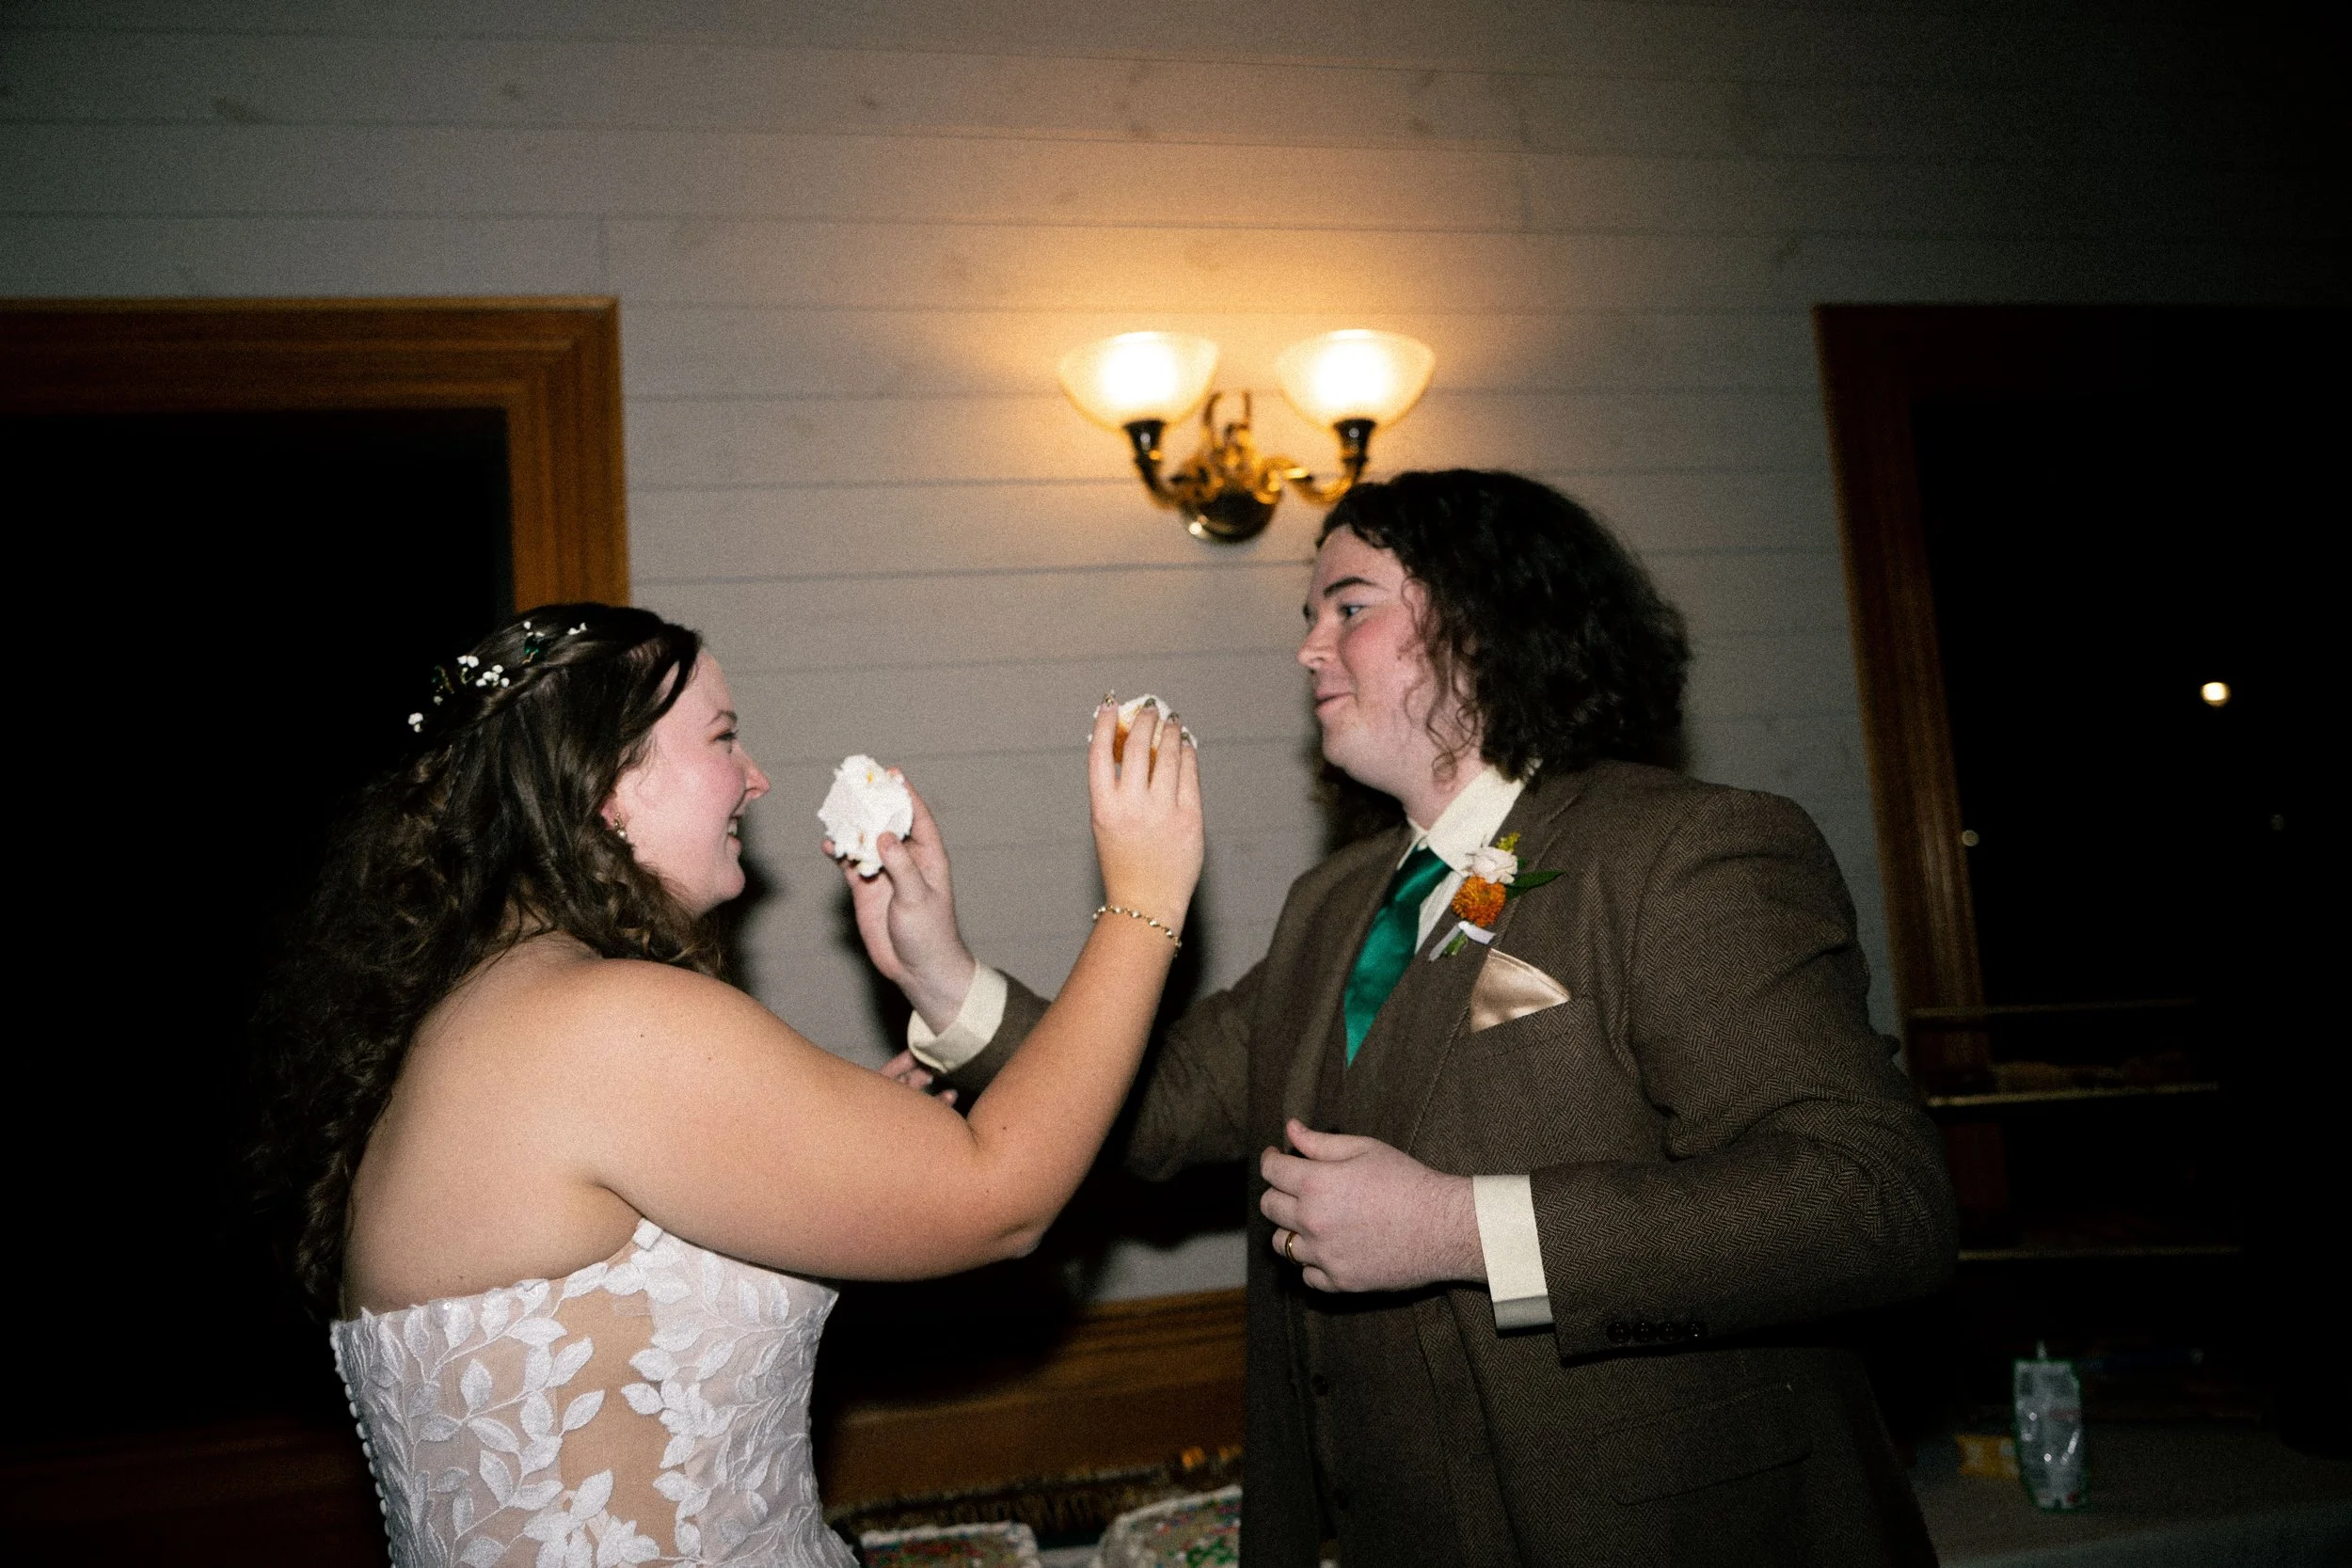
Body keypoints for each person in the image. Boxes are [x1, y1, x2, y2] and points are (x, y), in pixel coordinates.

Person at [868, 471, 1959, 1567]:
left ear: (1488, 623)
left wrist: (1452, 1227)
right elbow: (1156, 1108)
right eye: (1307, 617)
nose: (1307, 649)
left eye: (1350, 605)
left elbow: (1873, 1199)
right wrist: (943, 974)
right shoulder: (1335, 905)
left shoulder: (1682, 852)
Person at [255, 603, 1201, 1567]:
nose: (755, 779)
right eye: (721, 737)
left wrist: (893, 1078)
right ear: (609, 780)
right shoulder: (604, 1020)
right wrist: (1145, 898)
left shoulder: (483, 1009)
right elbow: (1002, 1197)